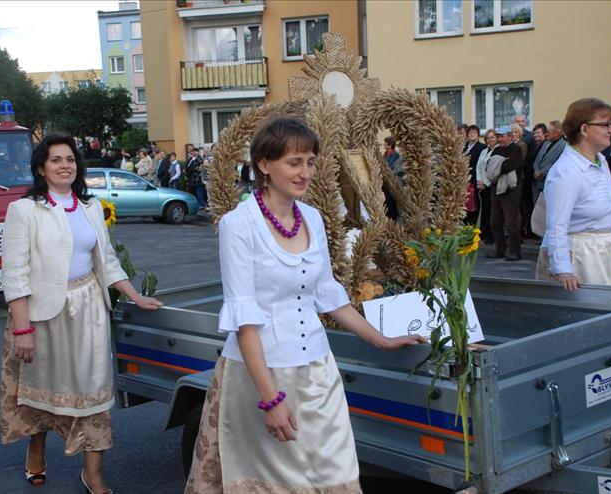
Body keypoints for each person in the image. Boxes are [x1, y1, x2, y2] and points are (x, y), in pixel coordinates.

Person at [184, 117, 426, 493]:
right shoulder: (238, 224)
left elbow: (328, 294)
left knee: (336, 474)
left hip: (317, 370)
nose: (306, 172)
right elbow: (244, 320)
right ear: (264, 165)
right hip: (262, 375)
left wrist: (381, 340)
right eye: (294, 162)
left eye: (310, 161)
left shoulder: (311, 217)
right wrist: (271, 400)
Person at [0, 133, 161, 493]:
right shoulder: (24, 210)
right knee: (41, 390)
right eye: (56, 160)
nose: (64, 165)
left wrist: (135, 295)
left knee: (93, 392)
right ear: (42, 168)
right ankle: (36, 449)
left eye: (70, 159)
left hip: (88, 310)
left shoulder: (89, 207)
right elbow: (14, 272)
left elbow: (108, 261)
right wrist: (22, 329)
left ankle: (94, 473)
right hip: (43, 314)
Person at [536, 98, 611, 290]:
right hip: (579, 256)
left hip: (604, 252)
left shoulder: (600, 161)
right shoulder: (566, 172)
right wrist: (564, 270)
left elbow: (609, 214)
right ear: (584, 129)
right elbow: (556, 225)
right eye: (605, 124)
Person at [486, 126, 524, 261]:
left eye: (502, 136)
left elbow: (511, 165)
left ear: (510, 137)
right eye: (499, 136)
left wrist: (498, 165)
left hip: (510, 190)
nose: (500, 139)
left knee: (511, 222)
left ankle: (514, 251)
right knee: (494, 221)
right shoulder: (496, 149)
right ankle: (499, 249)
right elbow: (488, 167)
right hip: (496, 188)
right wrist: (501, 164)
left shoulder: (515, 149)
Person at [532, 120, 567, 204]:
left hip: (550, 183)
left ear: (557, 132)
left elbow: (558, 163)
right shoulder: (546, 143)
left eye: (549, 131)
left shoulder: (564, 145)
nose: (547, 133)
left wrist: (542, 172)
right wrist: (536, 170)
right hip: (537, 183)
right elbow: (537, 159)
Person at [475, 129, 498, 244]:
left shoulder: (498, 151)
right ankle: (485, 234)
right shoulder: (484, 151)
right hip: (482, 185)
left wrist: (486, 183)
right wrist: (479, 181)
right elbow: (479, 167)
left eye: (492, 137)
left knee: (491, 212)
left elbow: (493, 170)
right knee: (484, 211)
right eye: (488, 138)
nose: (490, 140)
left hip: (490, 185)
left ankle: (492, 236)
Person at [464, 125, 486, 224]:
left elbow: (479, 165)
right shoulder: (464, 146)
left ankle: (474, 227)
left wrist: (469, 176)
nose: (472, 135)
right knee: (465, 206)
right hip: (463, 180)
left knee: (473, 205)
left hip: (473, 179)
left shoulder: (482, 147)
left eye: (474, 133)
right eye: (470, 133)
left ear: (478, 135)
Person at [382, 136, 401, 220]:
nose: (383, 145)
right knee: (386, 199)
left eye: (385, 143)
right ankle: (388, 216)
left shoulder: (395, 155)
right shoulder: (385, 154)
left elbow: (391, 167)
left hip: (391, 180)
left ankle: (393, 217)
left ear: (390, 145)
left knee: (391, 199)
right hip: (385, 180)